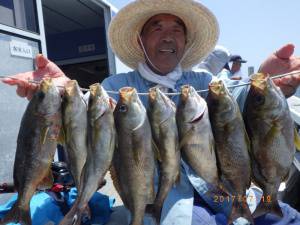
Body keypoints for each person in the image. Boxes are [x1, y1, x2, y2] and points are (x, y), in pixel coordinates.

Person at [2, 0, 300, 224]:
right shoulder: (116, 87)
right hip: (164, 199)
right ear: (140, 41)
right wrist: (67, 94)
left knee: (288, 217)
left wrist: (265, 81)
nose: (168, 36)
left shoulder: (206, 82)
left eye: (176, 29)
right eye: (156, 28)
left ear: (185, 41)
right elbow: (88, 132)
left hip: (222, 188)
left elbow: (237, 104)